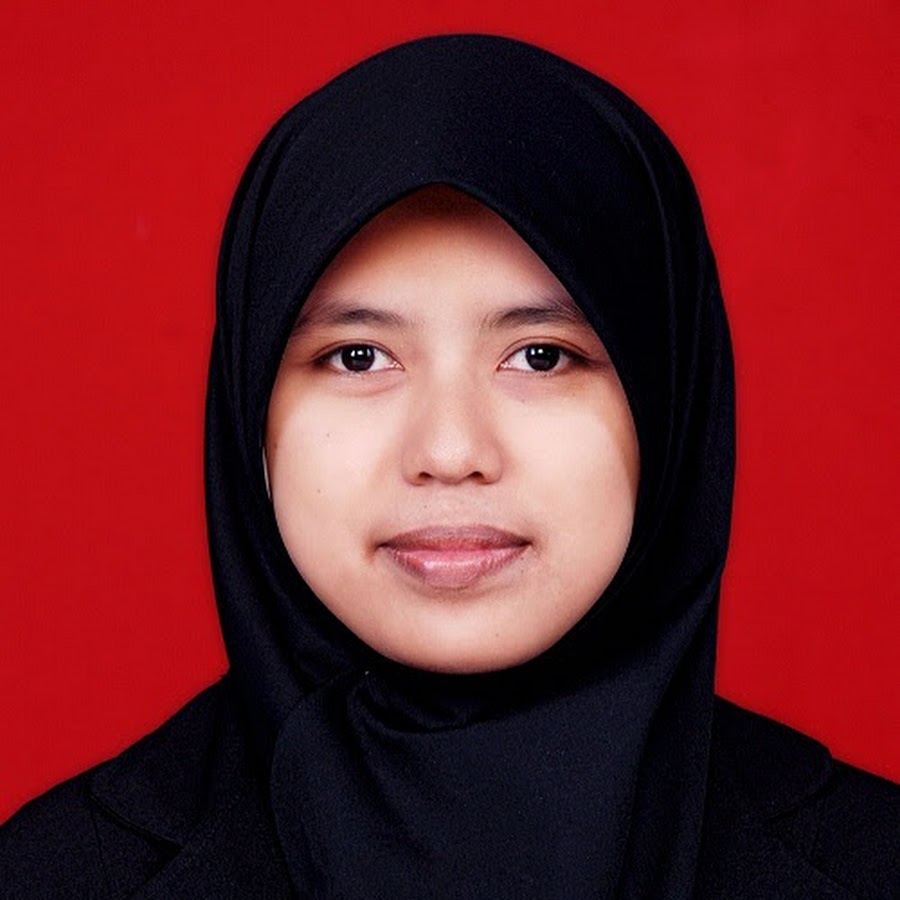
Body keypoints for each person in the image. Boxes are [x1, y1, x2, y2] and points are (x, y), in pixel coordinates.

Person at [1, 34, 897, 899]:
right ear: (252, 412)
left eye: (542, 356)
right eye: (357, 357)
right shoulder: (57, 876)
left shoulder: (871, 864)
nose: (450, 452)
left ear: (667, 410)